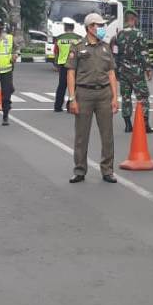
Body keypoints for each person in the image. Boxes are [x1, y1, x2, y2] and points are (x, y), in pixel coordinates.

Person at [67, 13, 119, 184]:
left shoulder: (106, 48)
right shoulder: (77, 47)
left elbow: (111, 73)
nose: (102, 28)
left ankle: (107, 170)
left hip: (104, 94)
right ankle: (79, 170)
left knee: (107, 135)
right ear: (90, 27)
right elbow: (71, 73)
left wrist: (114, 97)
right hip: (84, 94)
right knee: (81, 135)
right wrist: (72, 98)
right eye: (99, 25)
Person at [113, 9, 153, 133]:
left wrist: (116, 71)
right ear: (134, 19)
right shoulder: (139, 34)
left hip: (123, 71)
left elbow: (115, 54)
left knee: (126, 97)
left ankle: (127, 124)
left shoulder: (118, 35)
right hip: (136, 71)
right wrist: (148, 69)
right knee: (143, 97)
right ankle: (145, 124)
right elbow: (144, 53)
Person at [53, 17, 80, 112]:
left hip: (63, 65)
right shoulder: (78, 38)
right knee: (74, 86)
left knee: (62, 86)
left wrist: (55, 63)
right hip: (75, 65)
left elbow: (56, 51)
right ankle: (70, 106)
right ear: (73, 28)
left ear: (65, 28)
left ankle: (57, 106)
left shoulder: (59, 38)